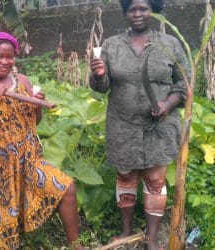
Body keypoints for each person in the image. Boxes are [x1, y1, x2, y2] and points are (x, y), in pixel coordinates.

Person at [0, 31, 84, 249]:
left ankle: (77, 246)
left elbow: (32, 122)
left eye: (10, 57)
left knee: (66, 188)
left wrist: (37, 105)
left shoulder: (22, 81)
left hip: (26, 159)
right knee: (2, 228)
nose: (5, 62)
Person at [89, 0, 190, 249]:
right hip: (122, 124)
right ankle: (126, 231)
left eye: (143, 8)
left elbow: (185, 82)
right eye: (132, 9)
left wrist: (168, 104)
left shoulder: (170, 45)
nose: (137, 14)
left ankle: (152, 238)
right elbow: (101, 89)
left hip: (161, 126)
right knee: (125, 176)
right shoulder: (111, 46)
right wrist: (98, 75)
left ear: (154, 11)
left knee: (156, 179)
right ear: (125, 13)